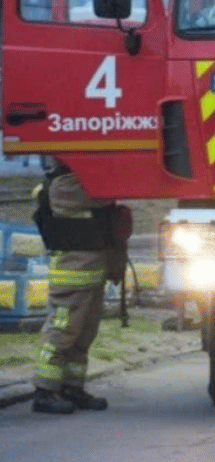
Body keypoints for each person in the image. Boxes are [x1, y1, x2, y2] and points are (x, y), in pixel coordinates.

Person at [29, 159, 131, 414]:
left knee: (84, 334)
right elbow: (104, 197)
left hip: (92, 273)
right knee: (62, 332)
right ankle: (45, 390)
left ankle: (72, 388)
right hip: (72, 278)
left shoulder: (81, 183)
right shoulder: (66, 187)